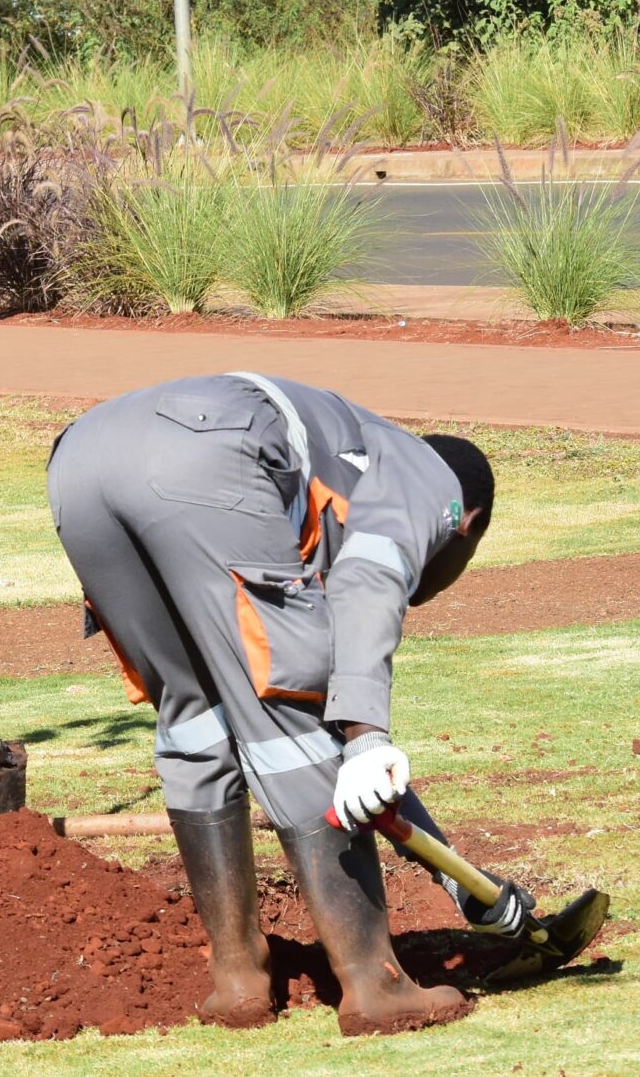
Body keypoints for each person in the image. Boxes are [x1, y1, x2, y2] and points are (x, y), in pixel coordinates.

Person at [46, 373, 500, 1037]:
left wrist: (455, 873)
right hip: (200, 454)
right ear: (468, 526)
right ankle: (375, 987)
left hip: (77, 461)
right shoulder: (427, 479)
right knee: (286, 703)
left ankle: (237, 982)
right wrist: (368, 737)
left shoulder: (343, 461)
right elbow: (371, 584)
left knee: (192, 715)